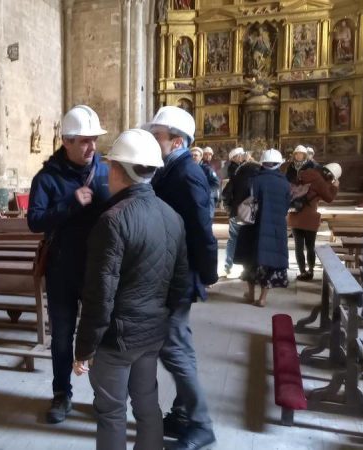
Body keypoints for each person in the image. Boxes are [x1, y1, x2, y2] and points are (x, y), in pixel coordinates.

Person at [73, 129, 189, 450]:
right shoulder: (172, 217)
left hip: (117, 340)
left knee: (111, 412)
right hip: (151, 335)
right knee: (148, 406)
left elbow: (99, 297)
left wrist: (84, 349)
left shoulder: (112, 220)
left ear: (116, 170)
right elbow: (180, 286)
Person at [28, 104, 111, 424]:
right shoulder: (47, 178)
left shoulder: (105, 170)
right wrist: (70, 203)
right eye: (84, 141)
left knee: (100, 334)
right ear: (66, 141)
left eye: (94, 140)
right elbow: (35, 221)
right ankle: (61, 394)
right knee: (62, 337)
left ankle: (105, 395)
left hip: (99, 267)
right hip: (62, 269)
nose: (92, 147)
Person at [146, 106, 218, 450]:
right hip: (168, 271)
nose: (152, 139)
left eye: (157, 135)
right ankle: (183, 412)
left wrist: (206, 273)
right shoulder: (168, 170)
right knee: (178, 346)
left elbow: (202, 229)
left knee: (174, 348)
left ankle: (201, 425)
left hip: (178, 274)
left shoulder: (186, 173)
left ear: (177, 141)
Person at [235, 149, 291, 307]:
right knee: (270, 262)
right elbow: (286, 207)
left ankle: (251, 294)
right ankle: (263, 298)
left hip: (252, 227)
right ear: (279, 164)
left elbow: (243, 202)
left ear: (263, 164)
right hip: (275, 228)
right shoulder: (285, 183)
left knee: (250, 260)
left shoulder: (253, 180)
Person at [288, 163, 341, 281]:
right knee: (310, 246)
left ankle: (302, 272)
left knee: (298, 246)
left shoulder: (302, 174)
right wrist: (335, 187)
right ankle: (310, 271)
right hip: (310, 217)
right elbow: (329, 198)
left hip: (296, 214)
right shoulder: (319, 181)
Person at [221, 147, 249, 276]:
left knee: (233, 239)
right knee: (242, 238)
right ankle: (245, 268)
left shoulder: (236, 172)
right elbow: (226, 193)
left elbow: (226, 194)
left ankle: (228, 266)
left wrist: (229, 207)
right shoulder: (239, 172)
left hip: (236, 210)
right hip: (246, 210)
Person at [198, 147, 220, 218]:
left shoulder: (209, 167)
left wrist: (207, 190)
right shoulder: (200, 165)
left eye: (210, 154)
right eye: (206, 154)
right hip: (201, 195)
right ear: (202, 155)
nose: (208, 156)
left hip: (208, 195)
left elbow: (216, 183)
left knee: (208, 217)